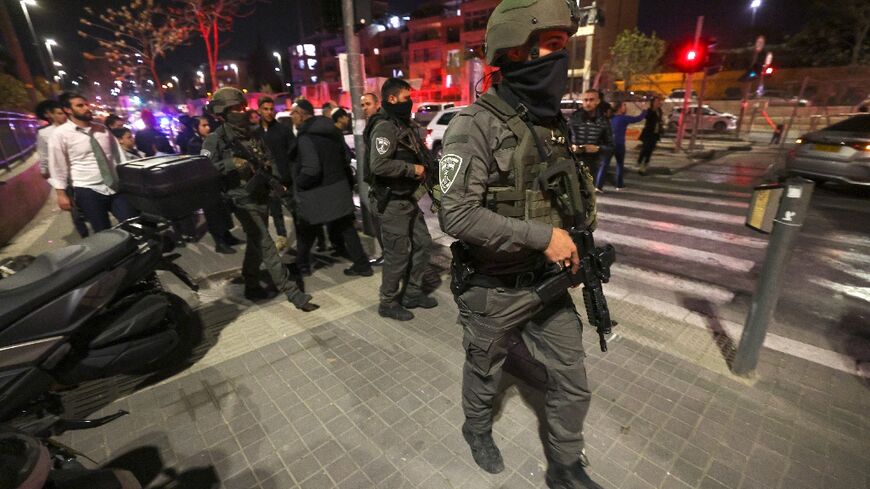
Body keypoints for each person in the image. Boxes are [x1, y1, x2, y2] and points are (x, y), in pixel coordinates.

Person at [436, 1, 603, 487]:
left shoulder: (548, 123)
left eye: (563, 47)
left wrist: (575, 242)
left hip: (547, 283)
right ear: (516, 48)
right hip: (493, 288)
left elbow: (561, 196)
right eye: (552, 46)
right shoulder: (474, 125)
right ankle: (477, 428)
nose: (561, 59)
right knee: (485, 370)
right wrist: (542, 237)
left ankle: (566, 465)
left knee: (572, 379)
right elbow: (456, 213)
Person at [202, 87, 318, 311]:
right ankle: (293, 293)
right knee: (266, 244)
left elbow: (268, 159)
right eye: (235, 108)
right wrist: (229, 164)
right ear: (223, 112)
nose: (241, 111)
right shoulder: (216, 140)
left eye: (243, 107)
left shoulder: (252, 133)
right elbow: (202, 169)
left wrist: (276, 181)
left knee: (256, 245)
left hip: (261, 195)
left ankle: (251, 283)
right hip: (241, 200)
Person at [365, 78, 437, 321]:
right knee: (397, 254)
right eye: (407, 98)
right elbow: (378, 164)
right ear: (392, 99)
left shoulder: (402, 124)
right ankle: (387, 301)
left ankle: (412, 294)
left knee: (423, 244)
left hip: (407, 198)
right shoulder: (385, 126)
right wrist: (411, 170)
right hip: (392, 201)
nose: (411, 102)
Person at [291, 99, 373, 277]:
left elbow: (311, 169)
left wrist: (298, 183)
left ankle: (302, 266)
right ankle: (362, 264)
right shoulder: (331, 131)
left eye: (294, 113)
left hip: (318, 193)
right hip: (339, 187)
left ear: (303, 114)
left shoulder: (306, 137)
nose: (292, 116)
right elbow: (344, 158)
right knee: (346, 228)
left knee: (306, 229)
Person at [48, 92, 139, 233]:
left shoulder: (102, 129)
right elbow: (57, 166)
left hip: (114, 186)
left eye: (86, 104)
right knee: (104, 232)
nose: (86, 108)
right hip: (87, 189)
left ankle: (139, 253)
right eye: (80, 106)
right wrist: (61, 194)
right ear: (68, 110)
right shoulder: (60, 135)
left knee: (133, 222)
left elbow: (118, 156)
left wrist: (128, 177)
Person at [36, 99, 89, 238]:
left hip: (80, 172)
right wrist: (45, 172)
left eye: (63, 113)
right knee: (74, 208)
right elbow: (43, 155)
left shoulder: (74, 128)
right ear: (51, 115)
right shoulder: (45, 133)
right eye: (59, 113)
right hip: (63, 176)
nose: (63, 116)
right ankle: (84, 234)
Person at [256, 96, 294, 252]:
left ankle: (311, 236)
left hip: (284, 178)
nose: (269, 112)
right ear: (259, 110)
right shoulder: (255, 133)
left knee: (294, 208)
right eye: (265, 109)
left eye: (271, 109)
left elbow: (292, 153)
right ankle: (281, 236)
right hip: (266, 179)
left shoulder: (283, 131)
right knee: (275, 210)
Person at [595, 101, 646, 191]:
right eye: (624, 106)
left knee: (604, 165)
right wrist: (644, 110)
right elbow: (638, 118)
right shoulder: (623, 118)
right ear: (620, 108)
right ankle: (619, 185)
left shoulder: (610, 118)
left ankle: (598, 186)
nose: (625, 107)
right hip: (619, 144)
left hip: (608, 144)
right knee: (619, 164)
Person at [569, 89, 613, 182]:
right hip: (572, 163)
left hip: (592, 165)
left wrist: (597, 148)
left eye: (591, 99)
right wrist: (571, 147)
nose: (588, 103)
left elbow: (611, 146)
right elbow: (564, 138)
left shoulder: (603, 121)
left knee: (587, 193)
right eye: (585, 100)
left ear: (598, 101)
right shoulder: (574, 118)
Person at [637, 95, 664, 175]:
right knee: (645, 149)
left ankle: (643, 167)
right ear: (652, 103)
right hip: (648, 133)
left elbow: (659, 120)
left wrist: (661, 124)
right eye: (656, 102)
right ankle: (640, 160)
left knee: (649, 151)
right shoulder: (650, 111)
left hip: (655, 134)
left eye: (658, 101)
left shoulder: (659, 111)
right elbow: (647, 117)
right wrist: (653, 110)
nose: (657, 103)